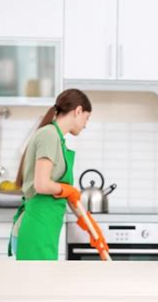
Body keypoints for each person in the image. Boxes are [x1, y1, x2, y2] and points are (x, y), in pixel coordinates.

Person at [9, 89, 92, 260]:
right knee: (36, 285)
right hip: (36, 228)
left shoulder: (58, 139)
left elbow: (64, 192)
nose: (86, 124)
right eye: (86, 118)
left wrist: (90, 227)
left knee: (41, 284)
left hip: (45, 227)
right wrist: (69, 190)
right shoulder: (49, 135)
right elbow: (42, 184)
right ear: (78, 111)